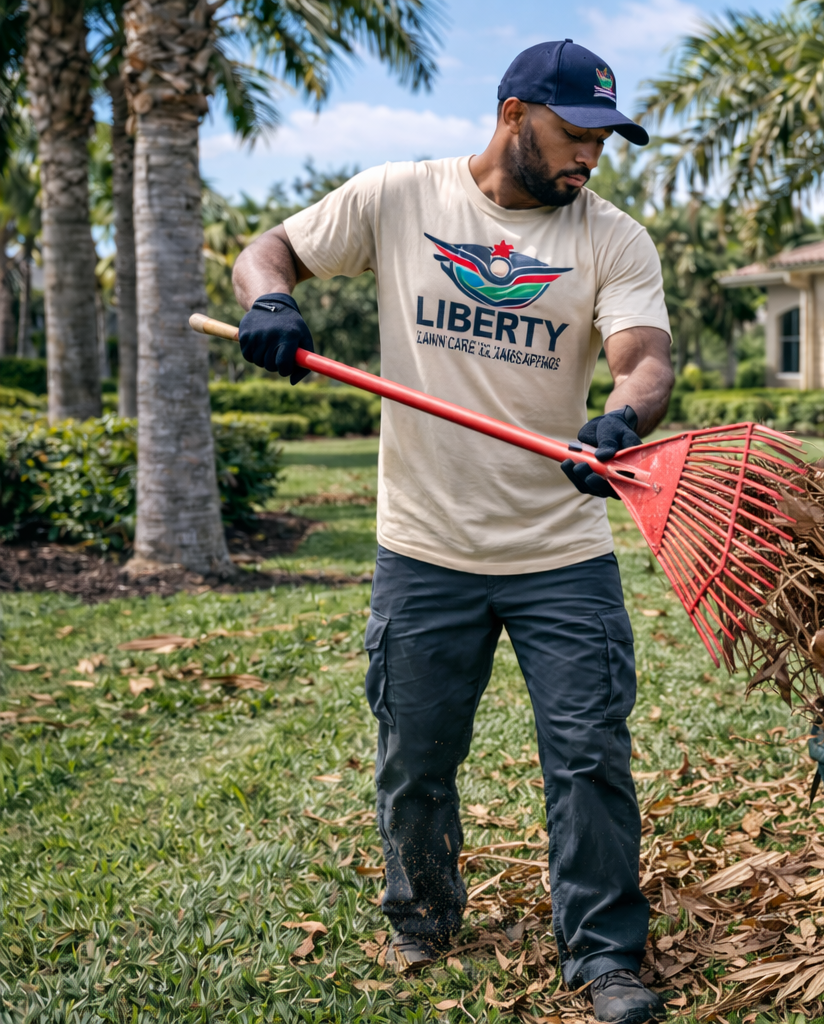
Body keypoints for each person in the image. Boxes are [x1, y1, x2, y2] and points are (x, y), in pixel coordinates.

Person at [230, 39, 674, 1024]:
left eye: (606, 139)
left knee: (590, 753)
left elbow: (644, 358)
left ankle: (605, 954)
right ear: (515, 113)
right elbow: (269, 250)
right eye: (575, 133)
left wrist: (622, 417)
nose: (592, 157)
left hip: (561, 553)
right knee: (416, 754)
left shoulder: (613, 237)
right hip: (424, 547)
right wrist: (270, 299)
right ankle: (424, 913)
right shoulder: (398, 196)